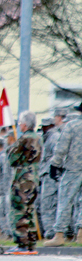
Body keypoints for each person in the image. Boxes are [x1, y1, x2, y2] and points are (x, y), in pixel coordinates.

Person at [44, 103, 82, 246]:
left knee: (65, 201)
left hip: (73, 167)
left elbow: (62, 148)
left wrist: (55, 164)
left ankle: (59, 234)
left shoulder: (72, 126)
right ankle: (80, 234)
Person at [5, 111, 42, 254]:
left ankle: (22, 243)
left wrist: (12, 146)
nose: (19, 125)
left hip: (23, 178)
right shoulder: (38, 138)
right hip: (34, 177)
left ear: (25, 124)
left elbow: (12, 159)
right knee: (30, 210)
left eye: (20, 123)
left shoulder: (24, 139)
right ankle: (31, 244)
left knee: (19, 210)